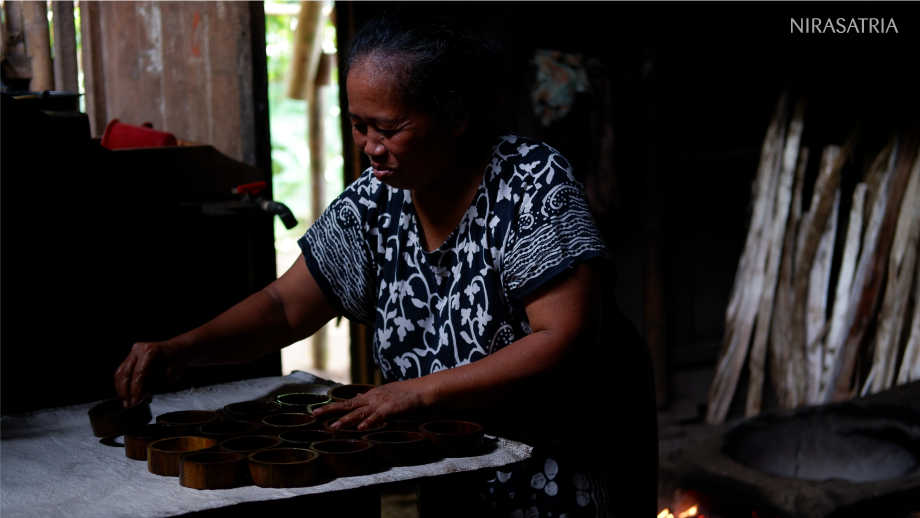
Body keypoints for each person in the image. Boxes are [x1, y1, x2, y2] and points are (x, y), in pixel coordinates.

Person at [115, 11, 654, 518]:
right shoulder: (374, 203)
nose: (370, 148)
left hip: (559, 464)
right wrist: (183, 350)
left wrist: (417, 391)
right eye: (357, 126)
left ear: (455, 116)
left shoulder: (531, 183)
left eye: (389, 128)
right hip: (451, 463)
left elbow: (565, 335)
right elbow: (284, 307)